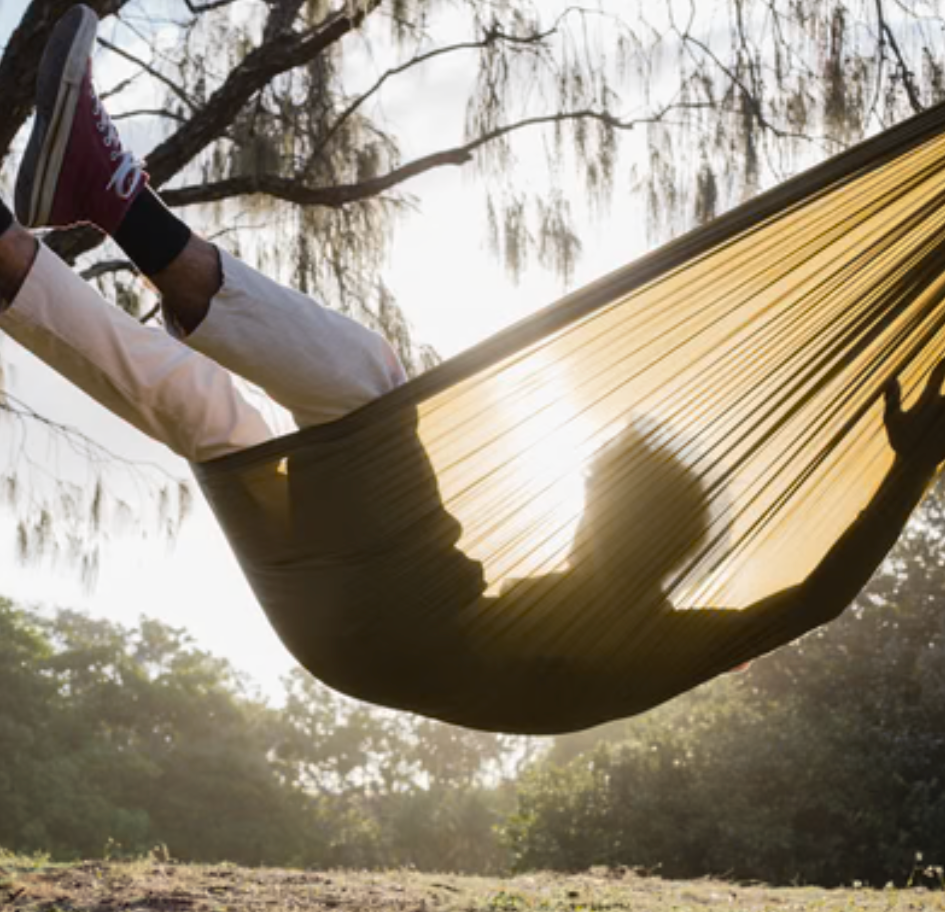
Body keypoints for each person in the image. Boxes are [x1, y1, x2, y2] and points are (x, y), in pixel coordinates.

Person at [2, 5, 945, 734]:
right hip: (349, 629)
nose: (574, 517)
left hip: (388, 610)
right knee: (224, 427)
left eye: (593, 503)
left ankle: (111, 195)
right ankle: (15, 252)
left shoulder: (648, 640)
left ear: (637, 539)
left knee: (371, 383)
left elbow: (818, 597)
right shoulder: (626, 624)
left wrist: (910, 463)